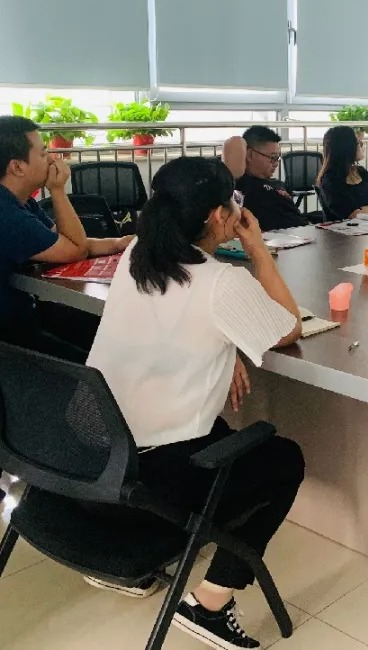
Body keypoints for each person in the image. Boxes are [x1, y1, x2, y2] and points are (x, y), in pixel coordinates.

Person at [85, 157, 304, 649]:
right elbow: (288, 328)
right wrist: (258, 251)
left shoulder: (139, 252)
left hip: (83, 469)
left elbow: (167, 324)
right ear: (219, 216)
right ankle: (209, 604)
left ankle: (129, 566)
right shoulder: (221, 282)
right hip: (137, 492)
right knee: (282, 459)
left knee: (222, 437)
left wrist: (227, 346)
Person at [0, 115, 131, 506]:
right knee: (86, 372)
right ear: (17, 166)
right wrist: (59, 190)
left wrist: (121, 242)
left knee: (93, 333)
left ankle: (24, 440)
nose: (52, 157)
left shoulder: (7, 201)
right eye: (42, 151)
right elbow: (72, 248)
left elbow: (68, 242)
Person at [233, 126, 307, 231]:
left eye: (277, 158)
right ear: (250, 155)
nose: (276, 163)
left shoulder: (277, 184)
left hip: (301, 231)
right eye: (272, 157)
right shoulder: (243, 189)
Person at [315, 126, 368, 221]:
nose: (361, 146)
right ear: (347, 148)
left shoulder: (361, 172)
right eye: (358, 143)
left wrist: (366, 210)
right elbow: (352, 215)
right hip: (344, 229)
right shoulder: (330, 181)